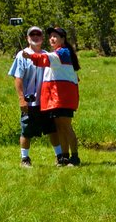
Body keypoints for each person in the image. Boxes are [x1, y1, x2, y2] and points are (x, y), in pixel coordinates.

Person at [23, 26, 81, 167]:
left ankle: (75, 157)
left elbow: (47, 58)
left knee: (66, 127)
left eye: (56, 36)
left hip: (63, 98)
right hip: (57, 98)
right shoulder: (59, 53)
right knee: (60, 128)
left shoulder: (62, 53)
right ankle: (65, 157)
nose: (52, 39)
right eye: (51, 36)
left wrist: (31, 56)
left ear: (63, 39)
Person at [9, 26, 61, 167]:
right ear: (27, 38)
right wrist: (21, 98)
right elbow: (18, 78)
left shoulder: (47, 55)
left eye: (38, 34)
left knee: (52, 129)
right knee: (26, 130)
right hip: (29, 101)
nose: (35, 37)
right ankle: (25, 159)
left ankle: (59, 157)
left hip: (46, 101)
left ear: (42, 38)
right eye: (32, 35)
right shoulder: (22, 55)